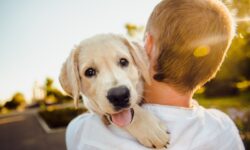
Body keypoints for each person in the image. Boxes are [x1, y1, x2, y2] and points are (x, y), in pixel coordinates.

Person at [66, 0, 245, 149]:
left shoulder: (84, 132)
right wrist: (135, 118)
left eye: (123, 62)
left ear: (148, 46)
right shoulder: (223, 129)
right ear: (211, 70)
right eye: (90, 71)